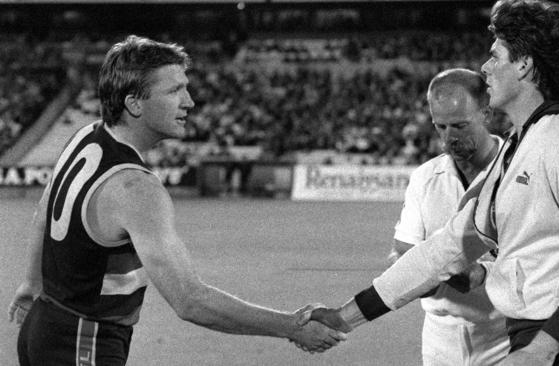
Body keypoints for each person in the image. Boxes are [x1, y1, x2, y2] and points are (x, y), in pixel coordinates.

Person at [305, 1, 559, 365]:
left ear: (524, 64)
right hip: (535, 341)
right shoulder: (520, 145)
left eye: (496, 57)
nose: (485, 67)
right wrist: (344, 317)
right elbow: (444, 251)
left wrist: (543, 348)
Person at [7, 35, 345, 366]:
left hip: (44, 325)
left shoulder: (87, 135)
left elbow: (44, 210)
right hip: (84, 343)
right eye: (174, 91)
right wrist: (291, 326)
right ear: (134, 103)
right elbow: (189, 301)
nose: (189, 102)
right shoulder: (136, 189)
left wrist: (31, 283)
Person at [389, 68, 509, 366]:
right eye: (440, 126)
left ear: (487, 114)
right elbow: (404, 251)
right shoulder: (425, 177)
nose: (449, 138)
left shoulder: (519, 170)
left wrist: (474, 273)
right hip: (439, 339)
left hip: (507, 335)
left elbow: (540, 260)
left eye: (459, 125)